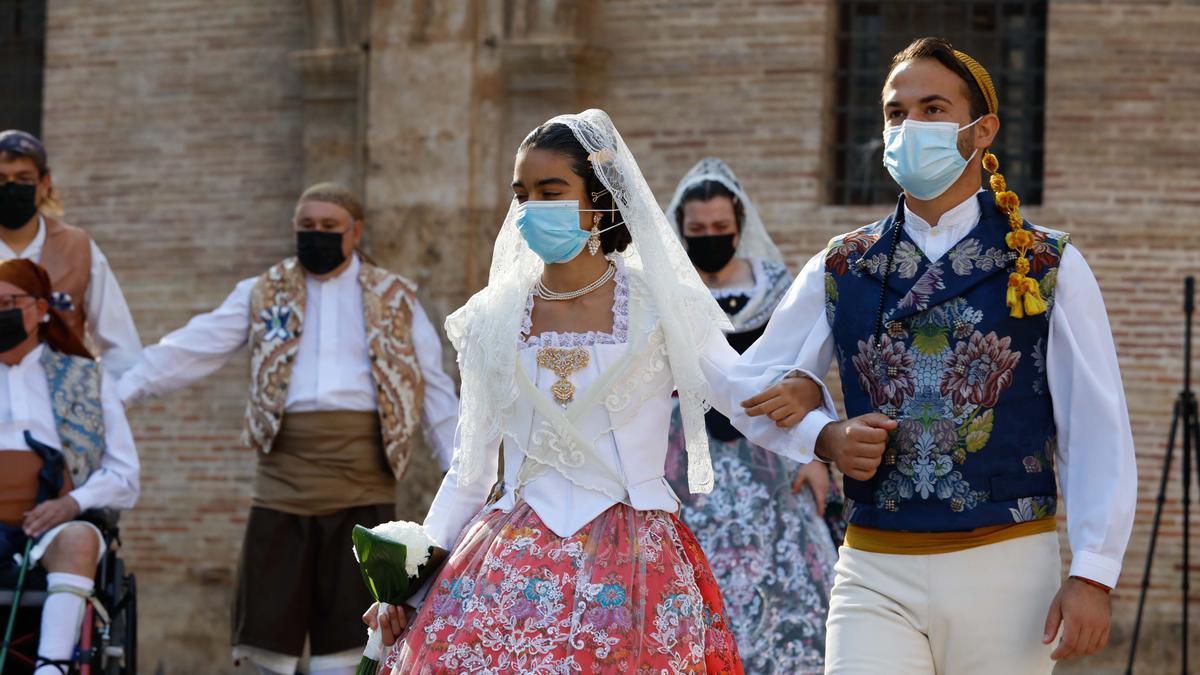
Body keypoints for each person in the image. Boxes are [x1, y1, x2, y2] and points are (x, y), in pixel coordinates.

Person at [366, 110, 833, 674]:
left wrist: (827, 436)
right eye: (523, 193)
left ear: (600, 200)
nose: (534, 207)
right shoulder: (493, 318)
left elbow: (741, 394)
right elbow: (471, 466)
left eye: (552, 190)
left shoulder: (662, 307)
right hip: (509, 556)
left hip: (634, 554)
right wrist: (410, 581)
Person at [734, 38, 1137, 673]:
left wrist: (1093, 572)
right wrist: (825, 435)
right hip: (872, 567)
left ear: (982, 130)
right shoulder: (843, 263)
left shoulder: (1044, 263)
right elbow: (746, 386)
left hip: (1006, 566)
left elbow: (1095, 425)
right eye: (896, 113)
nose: (910, 126)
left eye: (932, 108)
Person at [117, 183, 460, 675]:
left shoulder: (396, 298)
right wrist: (122, 392)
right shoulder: (263, 291)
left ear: (355, 231)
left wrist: (465, 473)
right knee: (268, 634)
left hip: (362, 477)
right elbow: (193, 346)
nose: (316, 236)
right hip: (283, 480)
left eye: (328, 228)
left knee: (347, 637)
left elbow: (435, 391)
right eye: (306, 228)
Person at [663, 157, 840, 674]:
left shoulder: (774, 283)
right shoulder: (665, 291)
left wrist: (813, 454)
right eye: (698, 230)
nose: (710, 236)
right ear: (681, 230)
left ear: (739, 225)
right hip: (684, 453)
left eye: (721, 228)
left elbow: (801, 373)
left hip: (768, 445)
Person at [0, 259, 139, 675]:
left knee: (80, 540)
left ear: (42, 308)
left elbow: (125, 476)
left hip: (54, 525)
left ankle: (52, 668)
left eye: (11, 301)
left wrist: (71, 504)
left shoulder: (87, 379)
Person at [0, 130, 142, 376]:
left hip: (58, 405)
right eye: (1, 179)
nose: (11, 187)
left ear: (44, 183)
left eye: (24, 178)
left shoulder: (77, 248)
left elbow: (121, 347)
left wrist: (99, 399)